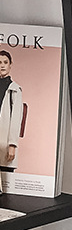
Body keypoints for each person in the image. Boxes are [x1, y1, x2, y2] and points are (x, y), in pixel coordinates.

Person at [0, 49, 23, 188]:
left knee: (6, 188)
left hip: (4, 144)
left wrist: (12, 145)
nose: (2, 65)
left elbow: (16, 119)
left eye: (5, 62)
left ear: (10, 64)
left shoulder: (14, 89)